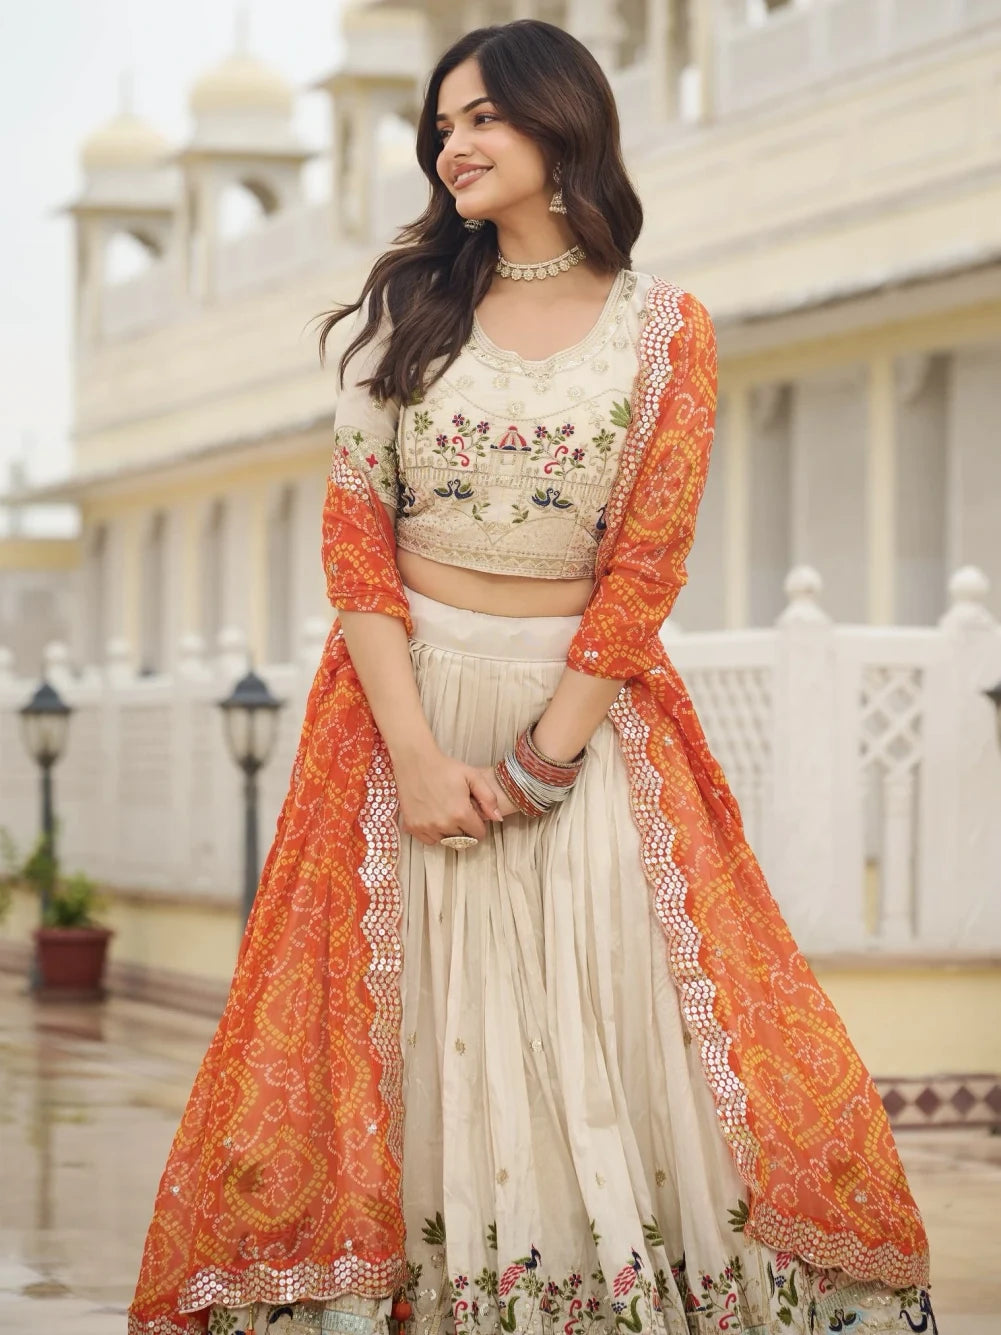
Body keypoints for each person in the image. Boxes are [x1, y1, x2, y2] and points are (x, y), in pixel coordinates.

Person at [128, 20, 938, 1335]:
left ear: (563, 128)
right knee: (413, 1030)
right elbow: (357, 557)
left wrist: (542, 759)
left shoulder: (666, 330)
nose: (455, 143)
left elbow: (646, 564)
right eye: (442, 124)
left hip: (585, 729)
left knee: (606, 1029)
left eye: (484, 117)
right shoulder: (408, 314)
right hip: (405, 721)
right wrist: (412, 754)